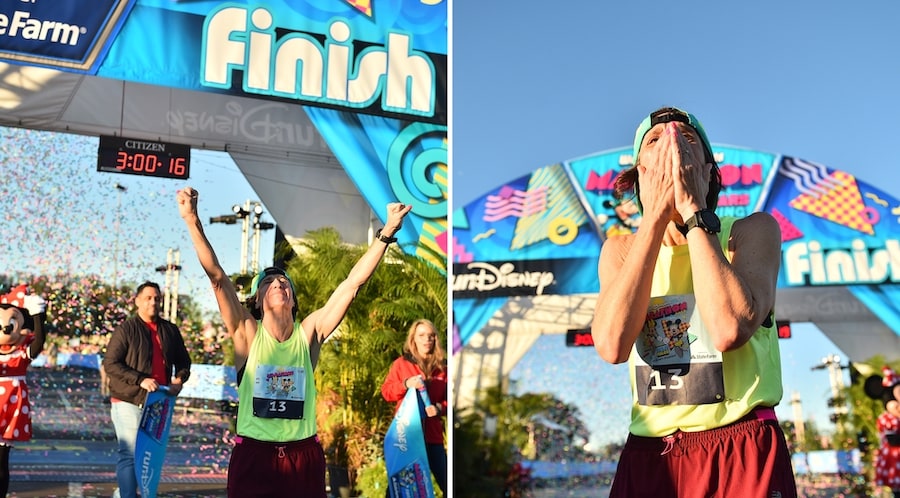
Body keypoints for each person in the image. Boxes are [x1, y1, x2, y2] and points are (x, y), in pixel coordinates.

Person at [590, 107, 797, 498]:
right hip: (651, 450)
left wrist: (694, 213)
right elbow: (611, 345)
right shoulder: (619, 251)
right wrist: (653, 219)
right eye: (654, 142)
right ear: (640, 175)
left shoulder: (751, 231)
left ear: (707, 170)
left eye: (687, 140)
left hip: (741, 443)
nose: (671, 145)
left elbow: (728, 328)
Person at [177, 186, 411, 498]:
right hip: (254, 456)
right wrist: (192, 219)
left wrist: (386, 234)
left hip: (303, 457)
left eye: (284, 282)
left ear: (293, 299)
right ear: (258, 299)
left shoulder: (310, 331)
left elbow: (352, 284)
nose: (278, 284)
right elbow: (218, 277)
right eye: (270, 283)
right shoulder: (247, 330)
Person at [102, 281, 192, 498]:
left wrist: (179, 379)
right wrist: (140, 379)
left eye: (157, 298)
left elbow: (184, 362)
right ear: (137, 301)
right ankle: (126, 494)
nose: (153, 302)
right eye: (148, 298)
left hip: (159, 403)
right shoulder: (126, 330)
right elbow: (111, 364)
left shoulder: (170, 330)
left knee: (149, 455)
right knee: (130, 453)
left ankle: (138, 493)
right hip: (128, 400)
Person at [381, 318, 448, 495]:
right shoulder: (401, 364)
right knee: (396, 488)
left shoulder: (443, 368)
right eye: (422, 335)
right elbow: (386, 392)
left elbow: (451, 401)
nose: (427, 339)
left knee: (447, 483)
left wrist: (440, 408)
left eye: (431, 336)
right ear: (414, 339)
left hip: (433, 438)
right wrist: (405, 384)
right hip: (407, 438)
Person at [0, 285, 46, 497]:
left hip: (11, 406)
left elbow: (38, 343)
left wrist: (39, 315)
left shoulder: (19, 354)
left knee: (1, 459)